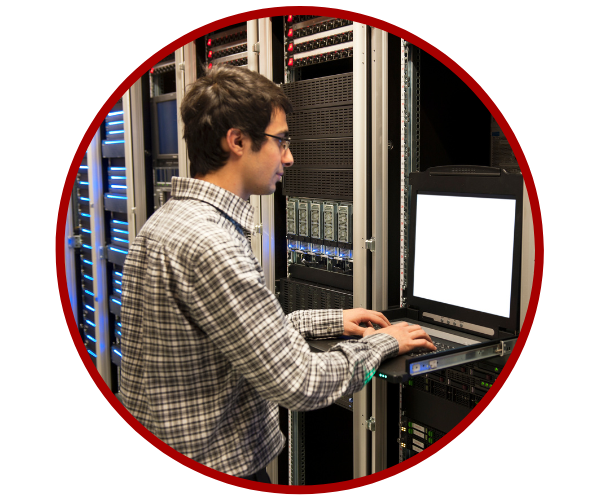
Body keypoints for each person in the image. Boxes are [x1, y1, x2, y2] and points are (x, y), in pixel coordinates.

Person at [119, 64, 435, 482]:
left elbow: (240, 336)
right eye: (281, 140)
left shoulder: (169, 221)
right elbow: (299, 383)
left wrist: (331, 320)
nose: (289, 156)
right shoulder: (212, 245)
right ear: (237, 141)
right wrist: (380, 345)